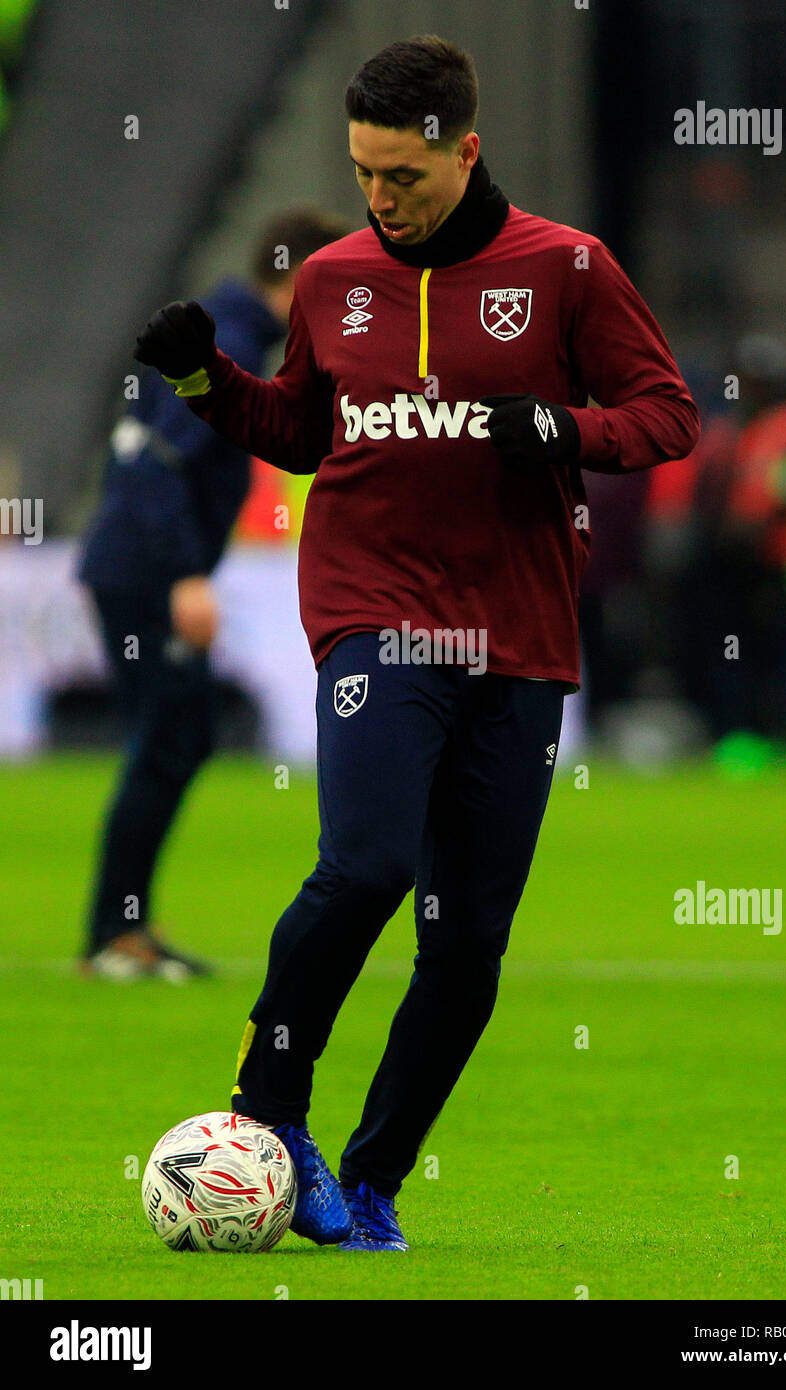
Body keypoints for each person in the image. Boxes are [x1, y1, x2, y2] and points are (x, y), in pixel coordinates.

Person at [134, 35, 699, 1249]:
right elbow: (298, 429)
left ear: (465, 149)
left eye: (402, 175)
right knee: (367, 866)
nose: (378, 200)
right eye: (362, 173)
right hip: (375, 614)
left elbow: (665, 416)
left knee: (466, 946)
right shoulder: (334, 277)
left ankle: (375, 1176)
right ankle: (269, 1112)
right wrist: (202, 382)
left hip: (520, 635)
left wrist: (558, 428)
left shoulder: (567, 268)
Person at [78, 208, 349, 980]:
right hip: (146, 573)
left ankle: (125, 924)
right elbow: (153, 461)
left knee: (178, 736)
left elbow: (142, 446)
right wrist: (185, 574)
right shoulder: (226, 342)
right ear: (301, 279)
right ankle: (113, 932)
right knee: (168, 737)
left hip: (136, 567)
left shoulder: (228, 331)